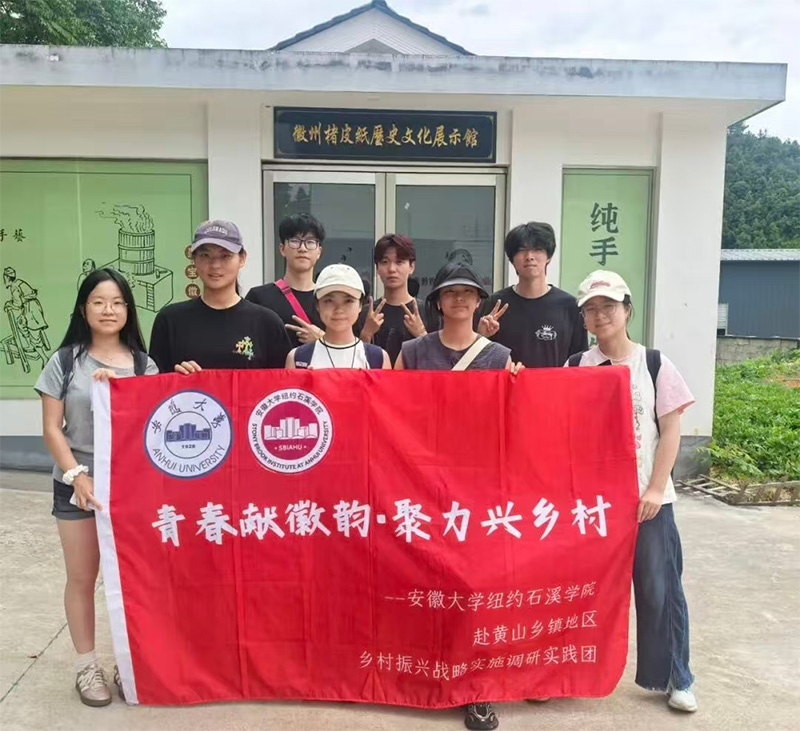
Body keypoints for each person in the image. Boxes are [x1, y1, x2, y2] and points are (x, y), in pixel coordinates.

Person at [397, 262, 521, 731]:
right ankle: (424, 677)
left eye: (468, 293)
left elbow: (515, 421)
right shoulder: (412, 351)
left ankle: (476, 688)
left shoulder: (499, 356)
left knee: (474, 590)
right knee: (423, 586)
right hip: (420, 486)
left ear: (479, 300)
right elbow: (391, 411)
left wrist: (521, 387)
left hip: (479, 489)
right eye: (450, 293)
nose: (460, 300)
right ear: (438, 301)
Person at [567, 270, 697, 713]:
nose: (599, 315)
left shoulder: (654, 364)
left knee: (660, 589)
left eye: (608, 306)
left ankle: (677, 677)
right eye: (590, 309)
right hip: (592, 507)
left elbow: (671, 431)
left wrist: (656, 489)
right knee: (579, 589)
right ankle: (566, 672)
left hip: (647, 502)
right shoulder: (575, 366)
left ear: (627, 309)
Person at [34, 267, 158, 707]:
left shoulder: (144, 365)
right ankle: (87, 666)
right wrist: (77, 476)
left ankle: (129, 662)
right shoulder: (65, 361)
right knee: (83, 578)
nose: (109, 310)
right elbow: (52, 429)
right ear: (83, 308)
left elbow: (153, 428)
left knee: (134, 581)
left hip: (131, 489)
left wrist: (125, 390)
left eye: (118, 302)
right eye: (99, 302)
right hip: (77, 486)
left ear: (128, 310)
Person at [149, 220, 290, 374]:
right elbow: (156, 383)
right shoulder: (170, 320)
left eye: (225, 256)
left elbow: (282, 384)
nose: (215, 265)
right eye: (205, 255)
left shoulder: (267, 323)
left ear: (242, 258)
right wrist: (175, 377)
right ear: (194, 260)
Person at [478, 222, 587, 368]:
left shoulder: (570, 306)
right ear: (512, 259)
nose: (529, 256)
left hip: (555, 383)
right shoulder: (494, 305)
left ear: (548, 256)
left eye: (537, 249)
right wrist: (481, 336)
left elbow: (580, 364)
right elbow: (478, 363)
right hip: (507, 383)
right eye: (521, 250)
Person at [287, 264, 389, 369]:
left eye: (348, 301)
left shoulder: (378, 358)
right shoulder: (298, 358)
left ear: (360, 305)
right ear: (317, 305)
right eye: (329, 301)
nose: (339, 309)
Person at [245, 213, 326, 347]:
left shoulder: (329, 299)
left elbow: (349, 348)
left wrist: (323, 341)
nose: (302, 248)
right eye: (295, 241)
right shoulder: (259, 297)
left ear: (319, 252)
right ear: (282, 249)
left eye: (310, 242)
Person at [357, 233, 429, 366]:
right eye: (385, 262)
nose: (391, 269)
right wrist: (366, 334)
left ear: (411, 267)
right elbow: (353, 364)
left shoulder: (427, 311)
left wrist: (422, 334)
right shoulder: (365, 314)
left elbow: (439, 363)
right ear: (377, 268)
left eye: (399, 262)